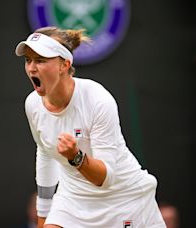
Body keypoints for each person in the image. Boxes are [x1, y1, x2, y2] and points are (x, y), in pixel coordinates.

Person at [15, 26, 166, 228]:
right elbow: (45, 153)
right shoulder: (33, 104)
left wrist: (75, 157)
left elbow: (106, 178)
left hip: (124, 199)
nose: (32, 68)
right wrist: (43, 216)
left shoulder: (98, 100)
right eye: (28, 60)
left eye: (40, 60)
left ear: (64, 65)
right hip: (73, 199)